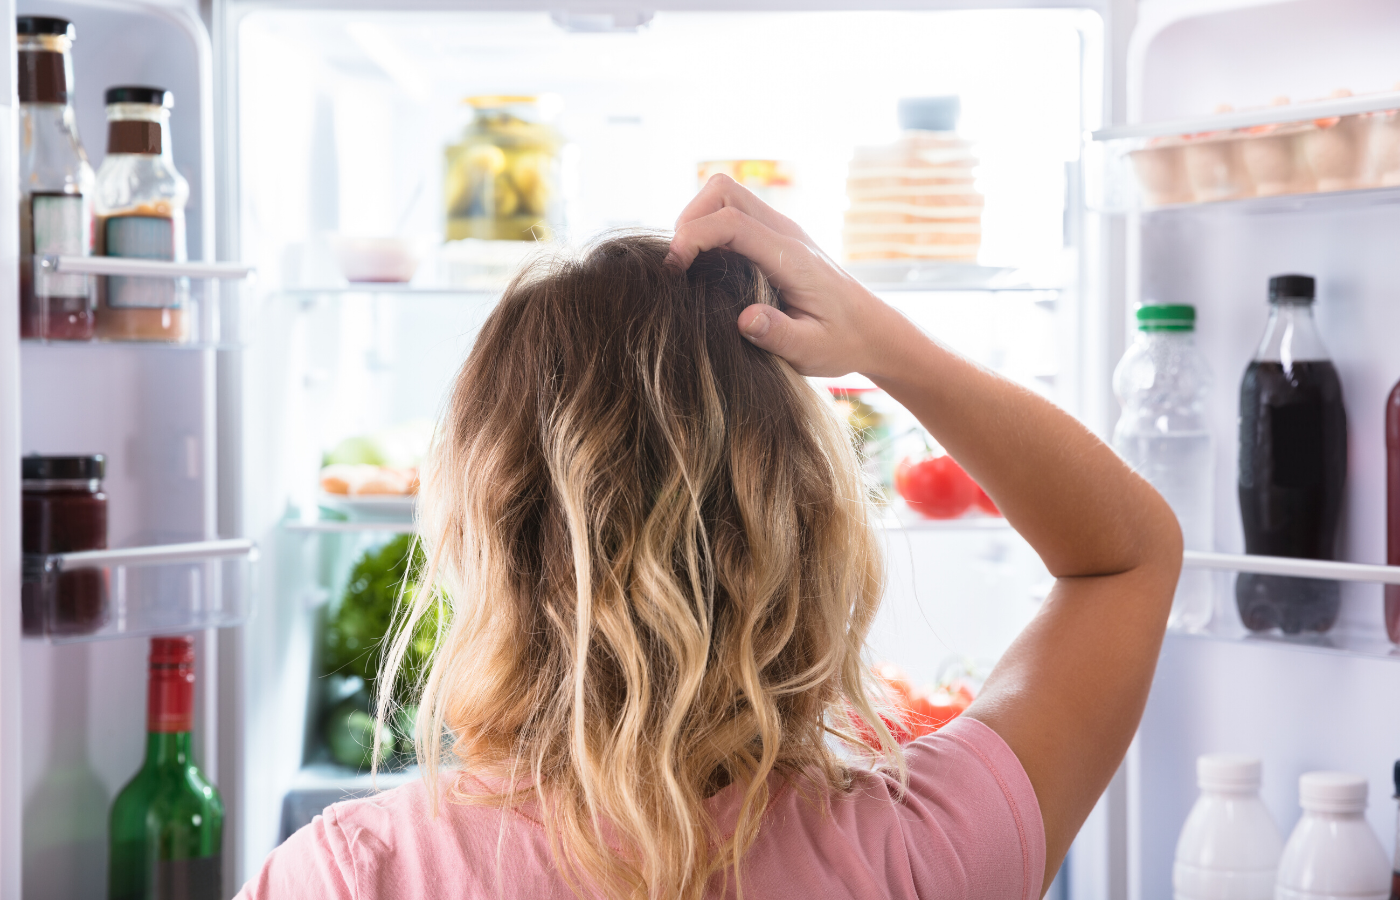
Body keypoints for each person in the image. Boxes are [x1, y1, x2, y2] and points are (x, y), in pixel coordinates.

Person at [237, 176, 1180, 899]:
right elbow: (1127, 558)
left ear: (485, 531)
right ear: (806, 523)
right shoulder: (921, 850)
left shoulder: (353, 874)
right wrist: (881, 342)